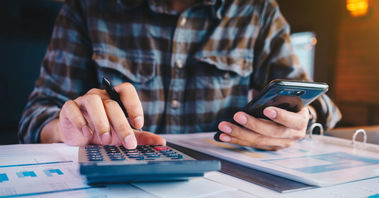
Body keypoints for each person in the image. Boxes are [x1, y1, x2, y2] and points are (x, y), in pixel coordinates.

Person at [18, 0, 341, 150]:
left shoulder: (257, 11)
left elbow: (319, 104)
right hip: (114, 183)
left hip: (229, 187)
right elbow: (36, 113)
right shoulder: (86, 8)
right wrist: (66, 127)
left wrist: (300, 118)